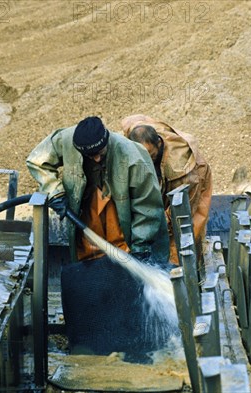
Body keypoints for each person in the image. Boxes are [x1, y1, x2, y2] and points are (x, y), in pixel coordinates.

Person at [26, 116, 170, 361]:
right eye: (88, 155)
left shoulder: (133, 157)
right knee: (90, 273)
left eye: (100, 153)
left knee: (127, 277)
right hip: (87, 215)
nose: (95, 159)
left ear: (107, 142)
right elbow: (36, 161)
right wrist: (54, 190)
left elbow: (148, 208)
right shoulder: (65, 139)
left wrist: (141, 246)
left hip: (124, 218)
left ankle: (136, 343)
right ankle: (93, 342)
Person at [121, 114, 213, 265]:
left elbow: (182, 210)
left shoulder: (185, 171)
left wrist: (156, 224)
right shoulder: (136, 132)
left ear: (158, 143)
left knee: (183, 235)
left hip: (193, 183)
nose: (147, 161)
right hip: (165, 175)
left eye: (150, 156)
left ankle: (182, 271)